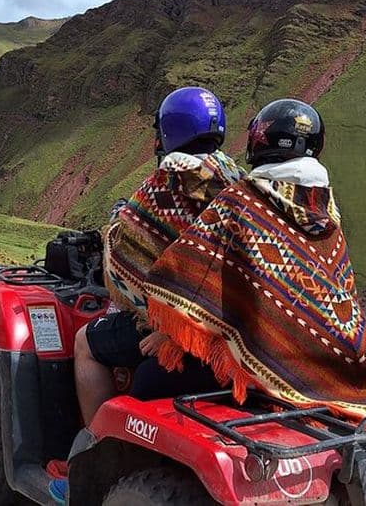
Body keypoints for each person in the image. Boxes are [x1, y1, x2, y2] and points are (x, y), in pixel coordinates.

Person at [144, 98, 366, 421]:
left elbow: (197, 278)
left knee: (144, 383)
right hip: (339, 361)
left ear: (259, 142)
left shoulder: (240, 202)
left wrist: (167, 335)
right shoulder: (327, 211)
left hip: (262, 370)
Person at [48, 87, 245, 503]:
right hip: (231, 334)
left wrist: (120, 221)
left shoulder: (166, 184)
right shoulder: (239, 182)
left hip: (178, 339)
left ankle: (94, 450)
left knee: (87, 342)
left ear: (170, 132)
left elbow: (122, 263)